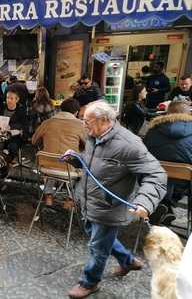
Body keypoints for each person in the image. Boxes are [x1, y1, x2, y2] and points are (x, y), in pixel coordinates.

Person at [66, 100, 167, 298]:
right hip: (89, 201)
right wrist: (76, 158)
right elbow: (94, 162)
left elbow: (157, 175)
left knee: (97, 246)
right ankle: (127, 260)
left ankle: (89, 282)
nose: (83, 124)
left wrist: (145, 201)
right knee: (99, 239)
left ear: (104, 120)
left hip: (109, 207)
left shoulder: (129, 144)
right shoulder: (94, 134)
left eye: (86, 121)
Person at [144, 100, 192, 225]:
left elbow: (143, 155)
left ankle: (163, 205)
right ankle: (167, 205)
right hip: (184, 183)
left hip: (154, 181)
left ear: (167, 113)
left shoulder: (153, 130)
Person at [32, 98, 85, 205]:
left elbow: (34, 141)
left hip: (46, 168)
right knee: (88, 172)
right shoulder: (80, 125)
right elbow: (89, 146)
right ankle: (71, 200)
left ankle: (48, 195)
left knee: (53, 158)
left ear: (61, 109)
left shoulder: (47, 122)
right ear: (76, 112)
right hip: (69, 170)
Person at [0, 90, 27, 162]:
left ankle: (7, 162)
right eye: (7, 98)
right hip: (1, 134)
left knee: (12, 146)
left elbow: (24, 124)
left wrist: (11, 127)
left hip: (15, 136)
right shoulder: (1, 107)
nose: (9, 100)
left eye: (11, 98)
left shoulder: (21, 110)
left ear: (17, 100)